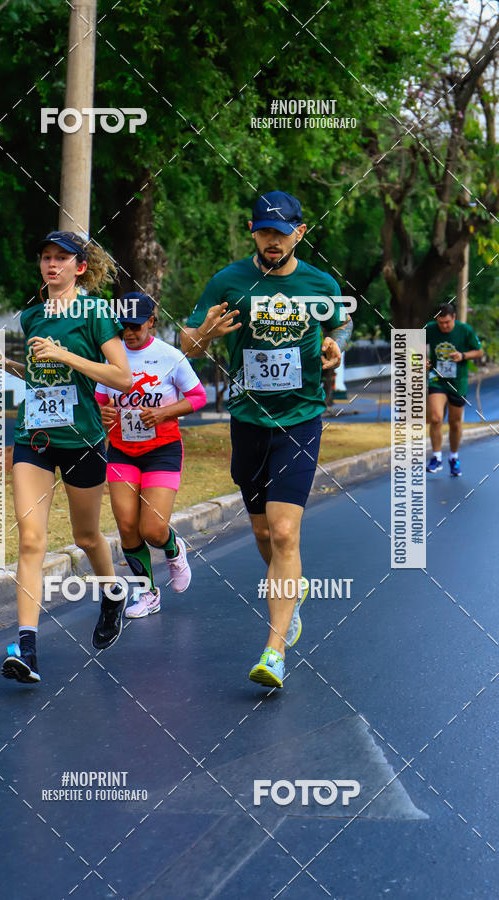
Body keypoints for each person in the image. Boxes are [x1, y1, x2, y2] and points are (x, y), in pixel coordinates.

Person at [181, 191, 353, 689]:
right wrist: (207, 334)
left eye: (281, 231)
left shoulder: (320, 284)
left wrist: (332, 350)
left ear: (300, 232)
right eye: (264, 231)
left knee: (282, 532)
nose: (272, 240)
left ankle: (274, 650)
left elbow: (335, 333)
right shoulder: (228, 280)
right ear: (253, 232)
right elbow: (186, 344)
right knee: (261, 534)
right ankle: (290, 590)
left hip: (300, 417)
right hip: (248, 420)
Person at [0, 231, 132, 684]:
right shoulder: (31, 315)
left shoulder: (96, 314)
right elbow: (40, 375)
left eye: (62, 258)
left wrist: (66, 353)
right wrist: (0, 359)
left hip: (82, 439)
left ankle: (113, 592)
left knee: (86, 537)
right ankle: (27, 647)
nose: (51, 265)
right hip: (35, 437)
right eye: (46, 257)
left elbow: (121, 376)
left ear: (79, 267)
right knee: (30, 540)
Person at [95, 292, 206, 617]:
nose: (129, 333)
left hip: (162, 450)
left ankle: (173, 548)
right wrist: (103, 412)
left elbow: (197, 397)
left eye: (135, 326)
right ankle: (148, 594)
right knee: (127, 526)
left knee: (153, 529)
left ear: (151, 322)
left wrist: (164, 413)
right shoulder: (111, 358)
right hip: (121, 451)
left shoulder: (169, 356)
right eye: (123, 327)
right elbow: (98, 400)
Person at [425, 303, 482, 477]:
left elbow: (478, 352)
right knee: (435, 418)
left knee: (455, 423)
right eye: (441, 323)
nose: (444, 326)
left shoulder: (465, 330)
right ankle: (436, 457)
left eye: (447, 323)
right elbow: (414, 346)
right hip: (437, 379)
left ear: (454, 318)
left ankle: (454, 457)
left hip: (458, 381)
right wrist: (422, 359)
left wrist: (462, 356)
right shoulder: (430, 329)